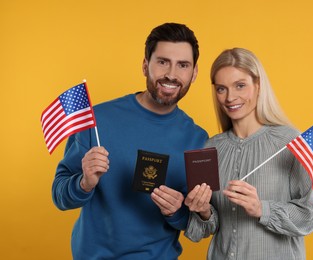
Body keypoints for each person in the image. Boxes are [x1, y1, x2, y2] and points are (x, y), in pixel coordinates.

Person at [52, 23, 208, 260]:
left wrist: (176, 211)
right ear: (146, 65)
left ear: (194, 73)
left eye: (183, 65)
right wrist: (84, 183)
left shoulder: (199, 139)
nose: (172, 74)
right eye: (162, 61)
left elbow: (197, 222)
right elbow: (59, 196)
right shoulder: (97, 121)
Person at [184, 48, 313, 260]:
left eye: (240, 86)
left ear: (258, 86)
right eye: (222, 89)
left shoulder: (290, 142)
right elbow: (202, 231)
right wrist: (203, 211)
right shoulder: (209, 148)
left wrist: (261, 209)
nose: (230, 97)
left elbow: (311, 215)